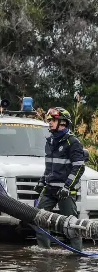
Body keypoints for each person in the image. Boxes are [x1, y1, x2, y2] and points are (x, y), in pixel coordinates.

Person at [35, 107, 88, 253]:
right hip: (49, 190)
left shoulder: (73, 142)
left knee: (72, 225)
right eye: (49, 120)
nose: (50, 123)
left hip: (66, 192)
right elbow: (50, 166)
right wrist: (42, 181)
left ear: (63, 122)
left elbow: (79, 168)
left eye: (53, 120)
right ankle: (43, 254)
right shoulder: (50, 141)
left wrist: (67, 187)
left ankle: (77, 254)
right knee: (39, 220)